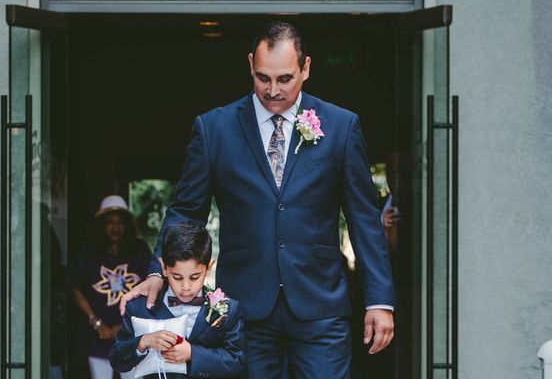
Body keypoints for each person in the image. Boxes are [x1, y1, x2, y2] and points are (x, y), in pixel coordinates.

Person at [121, 22, 395, 378]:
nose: (273, 90)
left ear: (306, 68)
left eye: (285, 79)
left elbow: (363, 217)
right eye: (263, 78)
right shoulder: (214, 128)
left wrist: (379, 300)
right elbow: (187, 211)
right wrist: (159, 270)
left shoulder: (342, 127)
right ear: (251, 64)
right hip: (244, 309)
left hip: (320, 306)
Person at [109, 221, 245, 378]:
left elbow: (236, 362)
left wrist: (193, 354)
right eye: (177, 277)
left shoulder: (228, 309)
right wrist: (142, 343)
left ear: (209, 268)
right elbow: (117, 360)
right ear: (164, 268)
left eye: (194, 277)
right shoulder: (139, 307)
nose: (186, 286)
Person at [70, 195, 152, 379]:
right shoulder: (87, 251)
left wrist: (123, 325)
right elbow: (75, 289)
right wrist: (97, 323)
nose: (115, 227)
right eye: (109, 222)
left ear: (127, 224)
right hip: (97, 337)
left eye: (120, 222)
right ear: (101, 225)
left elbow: (152, 288)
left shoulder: (139, 250)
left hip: (131, 334)